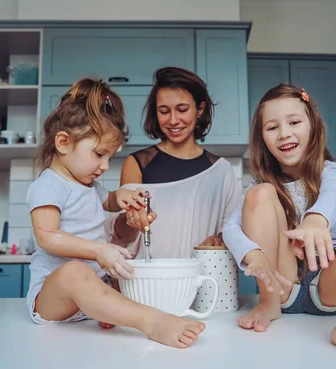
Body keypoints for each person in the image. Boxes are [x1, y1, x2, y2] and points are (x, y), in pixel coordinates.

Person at [222, 84, 336, 363]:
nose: (284, 133)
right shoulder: (259, 184)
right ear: (263, 139)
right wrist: (252, 253)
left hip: (330, 283)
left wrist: (316, 220)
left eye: (294, 122)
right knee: (260, 193)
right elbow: (230, 228)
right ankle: (267, 303)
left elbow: (334, 195)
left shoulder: (331, 173)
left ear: (313, 126)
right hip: (283, 284)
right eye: (272, 128)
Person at [26, 77, 205, 348]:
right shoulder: (49, 185)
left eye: (110, 157)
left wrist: (123, 197)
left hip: (87, 298)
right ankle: (151, 322)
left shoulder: (87, 185)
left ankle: (110, 310)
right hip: (53, 298)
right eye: (99, 154)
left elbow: (108, 200)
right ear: (63, 143)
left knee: (120, 274)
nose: (105, 166)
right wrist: (98, 250)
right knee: (75, 271)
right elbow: (48, 236)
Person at [107, 67, 242, 259]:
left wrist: (219, 240)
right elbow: (122, 235)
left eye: (182, 110)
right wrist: (131, 219)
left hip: (202, 280)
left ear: (200, 109)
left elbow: (232, 231)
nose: (173, 120)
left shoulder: (222, 171)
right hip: (147, 280)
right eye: (164, 111)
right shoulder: (137, 164)